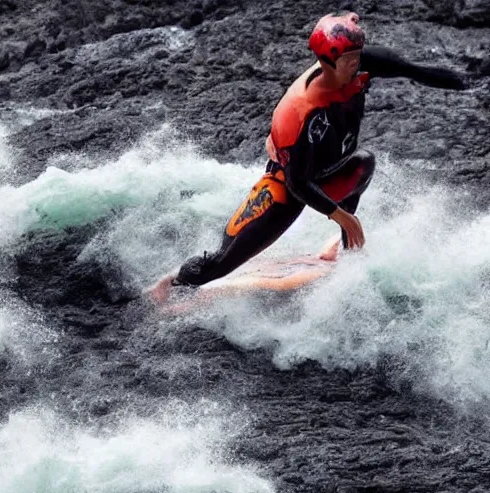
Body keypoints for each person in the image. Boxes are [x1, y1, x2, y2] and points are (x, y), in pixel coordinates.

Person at [149, 12, 467, 302]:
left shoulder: (362, 63)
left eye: (358, 57)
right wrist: (341, 215)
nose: (357, 65)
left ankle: (347, 255)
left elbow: (419, 72)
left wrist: (469, 84)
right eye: (348, 61)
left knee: (363, 164)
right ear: (327, 62)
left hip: (328, 170)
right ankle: (168, 290)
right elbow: (298, 182)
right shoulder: (299, 111)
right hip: (285, 186)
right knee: (220, 262)